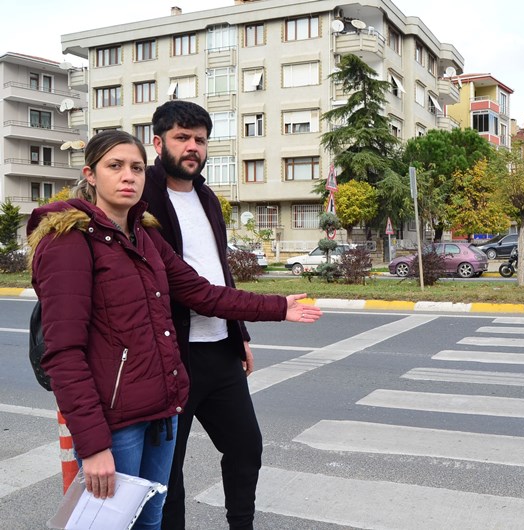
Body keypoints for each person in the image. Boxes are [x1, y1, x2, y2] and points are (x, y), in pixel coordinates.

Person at [27, 131, 322, 530]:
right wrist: (94, 445)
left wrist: (277, 307)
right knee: (111, 526)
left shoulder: (146, 236)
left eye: (135, 167)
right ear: (91, 175)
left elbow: (201, 293)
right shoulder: (69, 242)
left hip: (162, 411)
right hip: (116, 422)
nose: (128, 176)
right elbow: (64, 353)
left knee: (151, 522)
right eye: (114, 167)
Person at [141, 100, 260, 529]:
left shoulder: (208, 197)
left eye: (200, 140)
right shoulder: (144, 196)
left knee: (246, 447)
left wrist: (239, 331)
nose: (193, 147)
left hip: (220, 351)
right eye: (182, 138)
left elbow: (220, 270)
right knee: (169, 470)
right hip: (171, 357)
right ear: (158, 142)